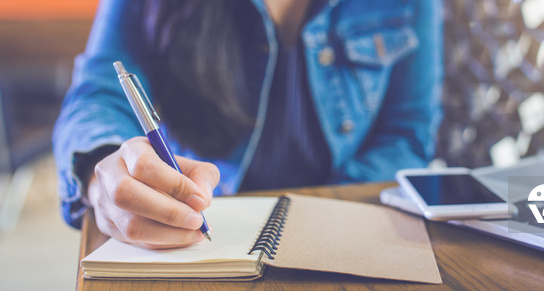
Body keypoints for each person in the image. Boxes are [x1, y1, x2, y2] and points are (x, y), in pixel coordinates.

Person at [53, 0, 443, 249]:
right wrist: (100, 165)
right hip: (198, 221)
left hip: (344, 229)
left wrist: (322, 217)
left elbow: (407, 132)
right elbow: (98, 93)